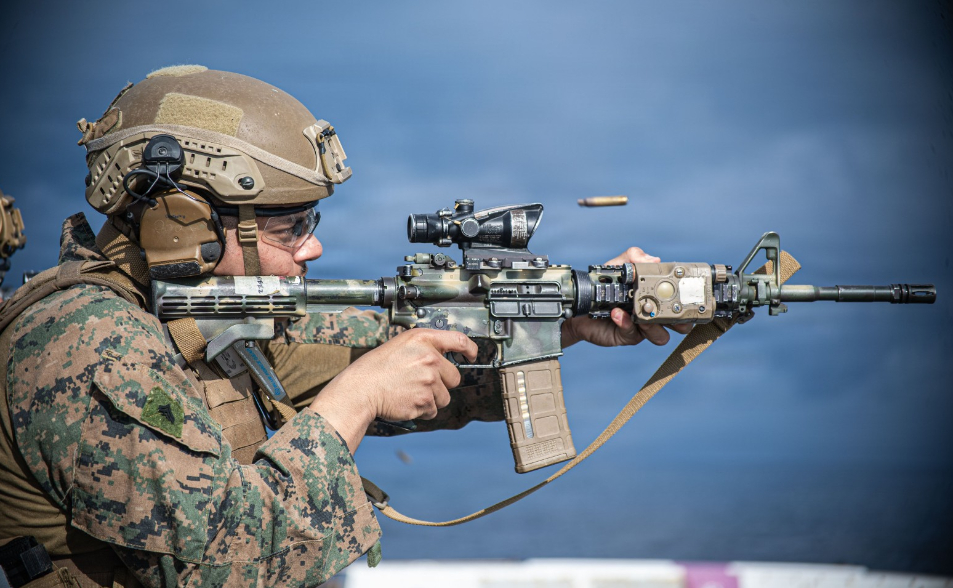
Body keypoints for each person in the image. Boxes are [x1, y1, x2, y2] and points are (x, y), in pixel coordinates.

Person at [0, 66, 687, 588]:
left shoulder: (187, 314)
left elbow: (358, 345)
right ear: (182, 221)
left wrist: (556, 318)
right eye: (289, 226)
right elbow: (228, 562)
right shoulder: (86, 345)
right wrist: (352, 403)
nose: (312, 248)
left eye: (311, 222)